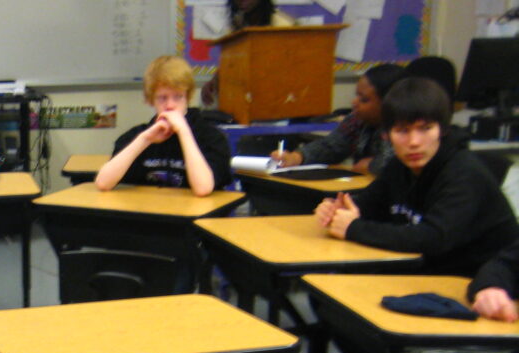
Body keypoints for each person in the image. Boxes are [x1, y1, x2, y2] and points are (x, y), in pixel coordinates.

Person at [314, 77, 519, 278]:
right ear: (386, 135)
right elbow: (368, 204)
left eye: (425, 128)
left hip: (481, 283)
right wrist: (338, 209)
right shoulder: (398, 166)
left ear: (442, 130)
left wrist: (353, 228)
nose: (414, 142)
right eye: (402, 131)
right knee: (329, 288)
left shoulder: (464, 173)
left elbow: (433, 238)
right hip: (428, 271)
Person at [95, 54, 232, 196]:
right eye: (162, 98)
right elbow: (103, 183)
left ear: (188, 97)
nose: (170, 105)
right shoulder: (137, 135)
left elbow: (203, 188)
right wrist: (145, 140)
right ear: (151, 100)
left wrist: (184, 132)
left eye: (178, 97)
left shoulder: (211, 137)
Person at [271, 64, 407, 175]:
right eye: (357, 96)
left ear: (388, 102)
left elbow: (395, 163)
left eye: (364, 99)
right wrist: (297, 157)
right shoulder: (357, 119)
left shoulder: (405, 127)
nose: (355, 102)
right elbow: (331, 146)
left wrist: (372, 166)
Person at [201, 0, 297, 107]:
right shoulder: (239, 23)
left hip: (276, 102)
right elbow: (234, 62)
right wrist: (214, 82)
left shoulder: (283, 26)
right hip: (245, 103)